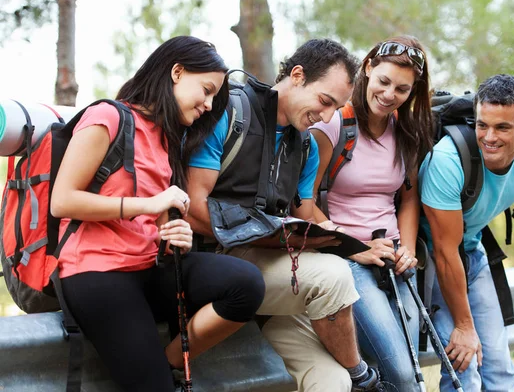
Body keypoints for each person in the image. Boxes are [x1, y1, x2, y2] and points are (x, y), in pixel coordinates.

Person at [51, 36, 265, 392]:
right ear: (177, 72)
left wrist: (174, 237)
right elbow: (63, 200)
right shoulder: (107, 116)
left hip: (150, 268)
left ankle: (169, 366)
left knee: (245, 284)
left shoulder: (167, 139)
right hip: (97, 273)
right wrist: (145, 205)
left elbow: (157, 220)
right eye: (207, 90)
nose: (210, 105)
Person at [186, 39, 385, 392]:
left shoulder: (306, 145)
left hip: (272, 268)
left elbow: (304, 212)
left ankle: (348, 377)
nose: (326, 118)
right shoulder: (229, 113)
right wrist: (262, 235)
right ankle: (363, 377)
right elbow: (192, 207)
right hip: (213, 259)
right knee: (332, 275)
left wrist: (355, 247)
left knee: (331, 382)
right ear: (297, 75)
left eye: (336, 110)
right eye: (325, 102)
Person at [310, 36, 433, 391]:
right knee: (404, 376)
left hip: (393, 259)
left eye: (402, 89)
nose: (389, 94)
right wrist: (355, 246)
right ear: (367, 68)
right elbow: (302, 202)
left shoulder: (406, 131)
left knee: (408, 365)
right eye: (383, 81)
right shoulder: (334, 124)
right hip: (347, 260)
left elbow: (408, 199)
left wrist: (407, 248)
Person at [418, 74, 514, 391]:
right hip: (430, 262)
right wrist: (465, 326)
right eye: (482, 125)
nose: (489, 137)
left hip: (472, 253)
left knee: (500, 374)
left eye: (502, 127)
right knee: (464, 369)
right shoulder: (448, 160)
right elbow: (444, 252)